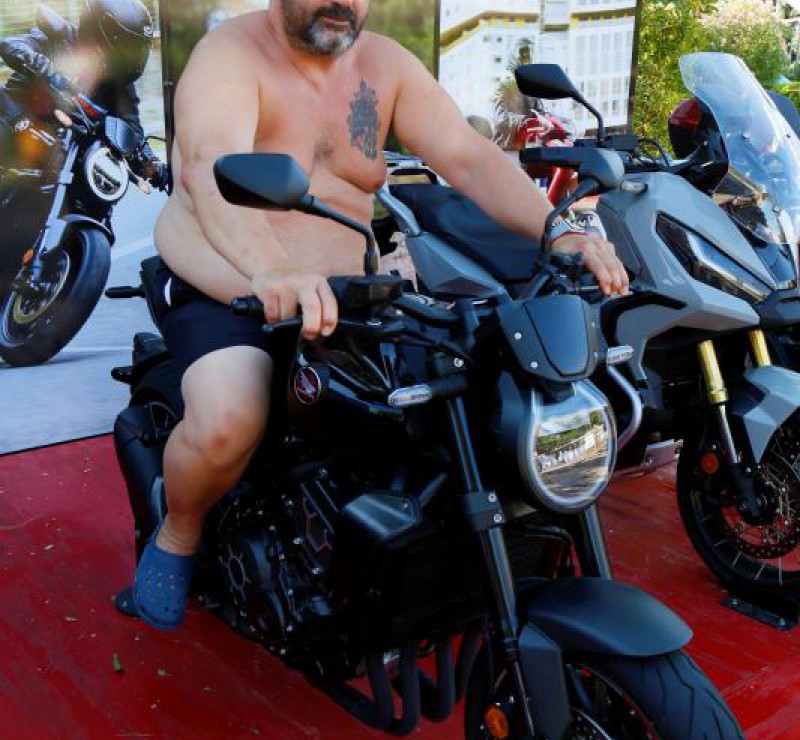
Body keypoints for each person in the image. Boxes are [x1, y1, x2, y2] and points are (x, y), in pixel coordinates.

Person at [122, 0, 628, 631]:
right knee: (231, 417)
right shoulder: (230, 55)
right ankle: (178, 532)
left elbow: (467, 155)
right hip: (230, 282)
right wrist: (270, 267)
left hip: (348, 296)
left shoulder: (384, 64)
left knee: (445, 399)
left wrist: (558, 228)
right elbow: (206, 164)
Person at [0, 0, 167, 188]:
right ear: (100, 31)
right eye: (126, 44)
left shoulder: (120, 86)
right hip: (14, 127)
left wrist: (153, 165)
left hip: (60, 161)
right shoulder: (59, 38)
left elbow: (132, 132)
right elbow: (12, 45)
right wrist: (44, 68)